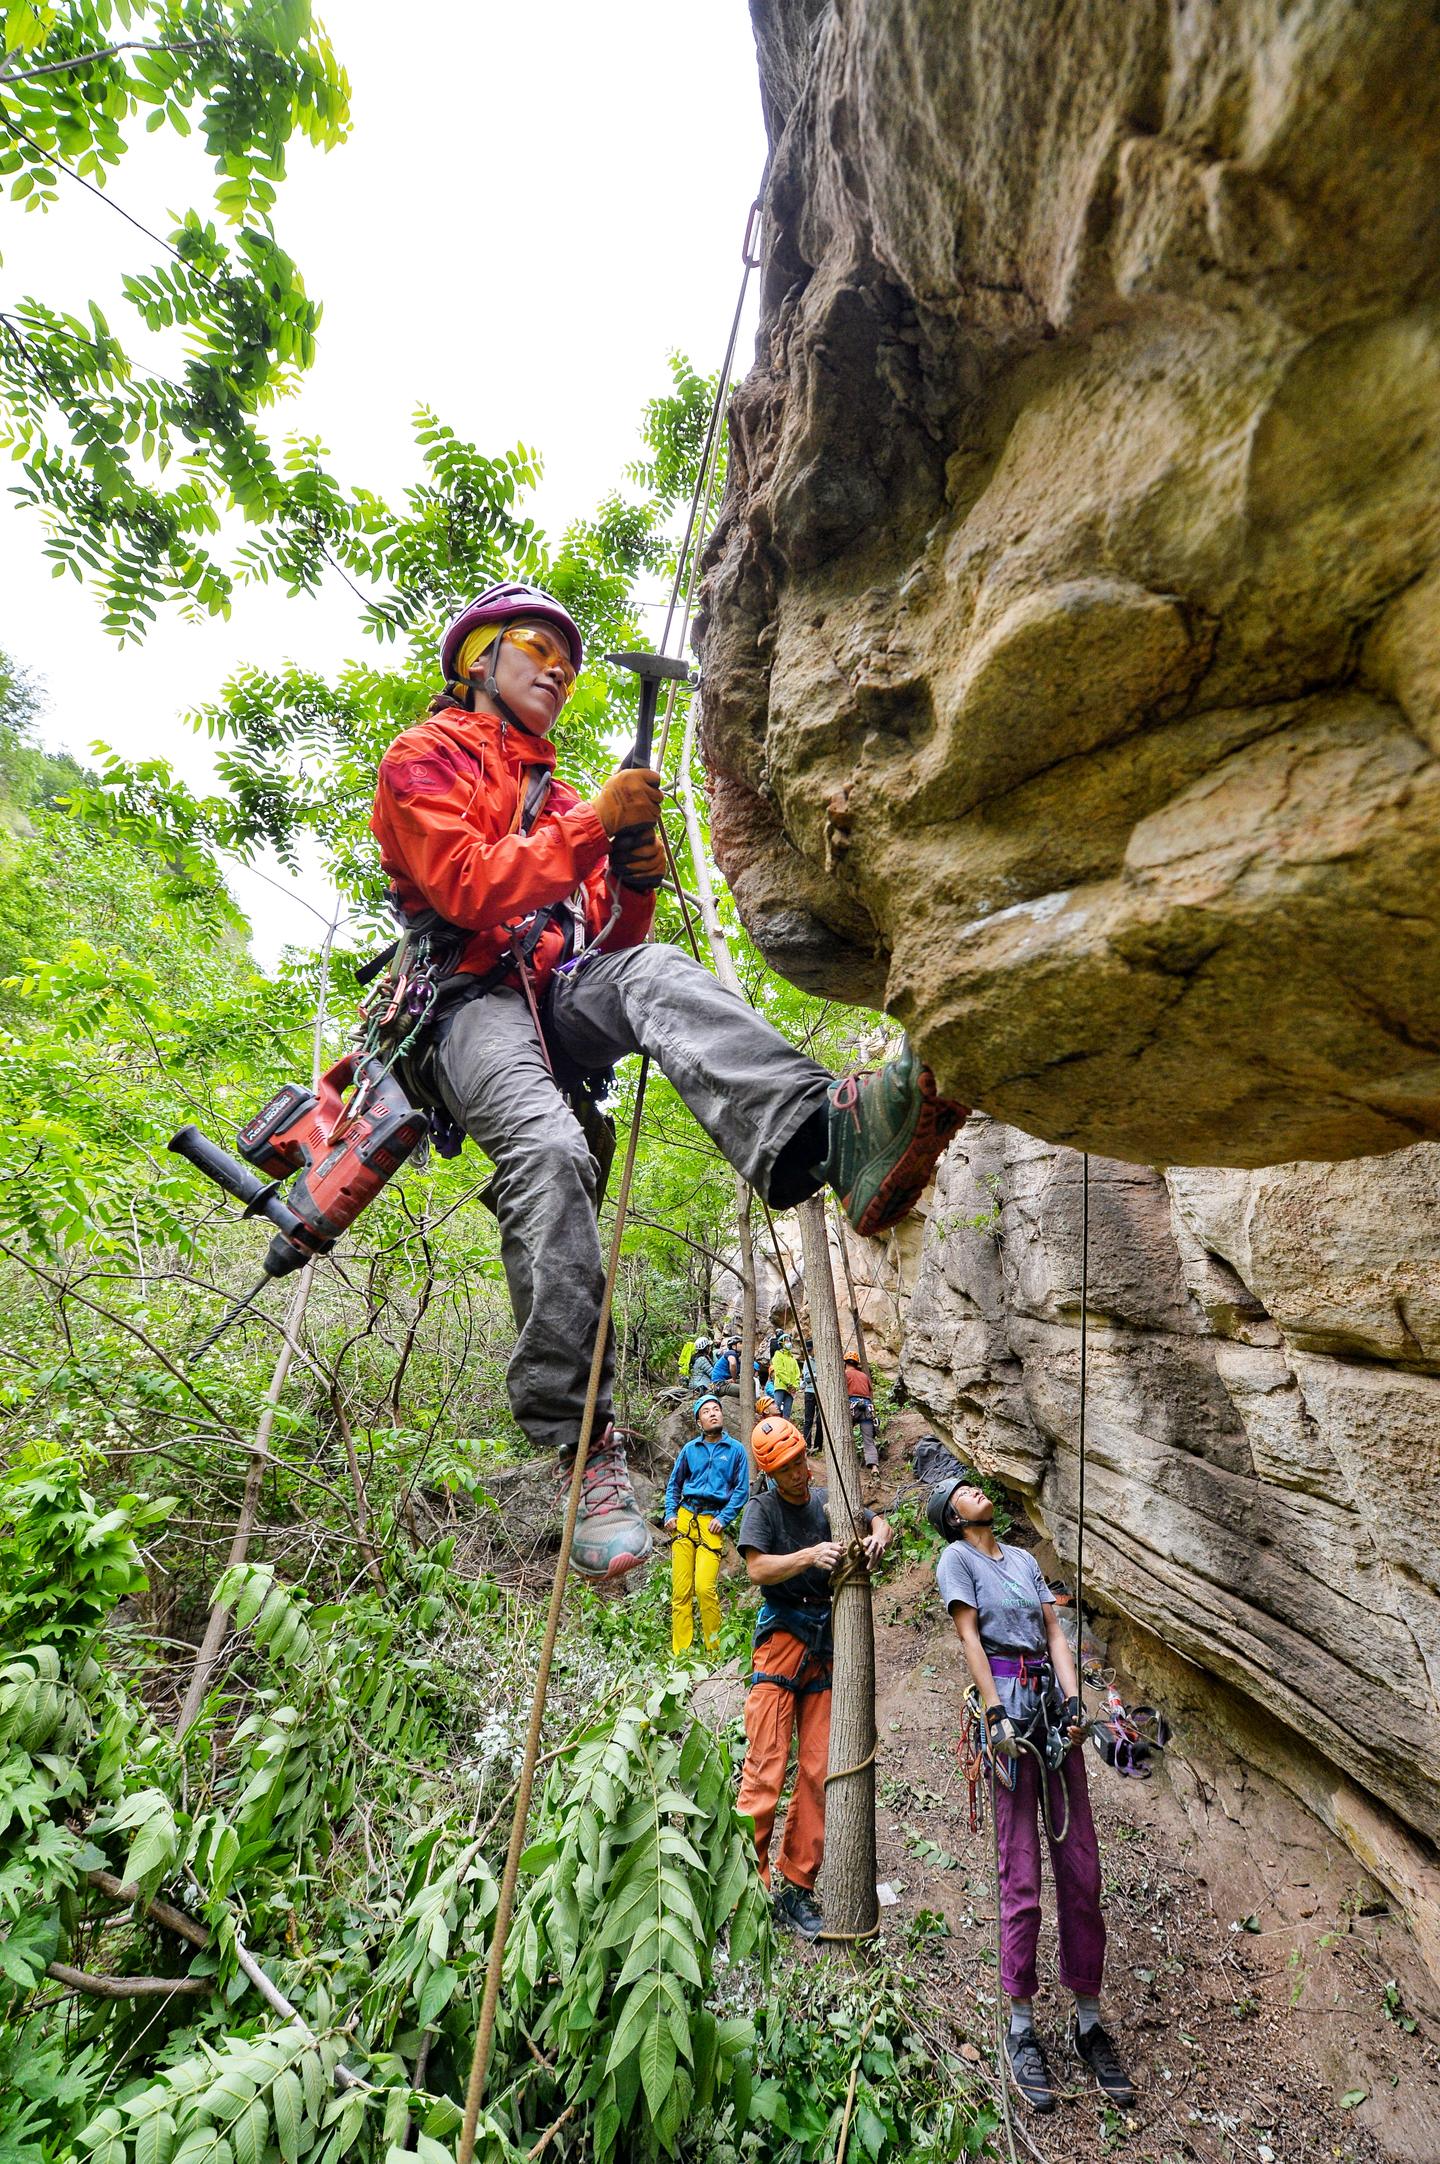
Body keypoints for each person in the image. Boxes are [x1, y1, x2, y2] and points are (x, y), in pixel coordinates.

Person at [371, 582, 965, 1580]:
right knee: (552, 1151)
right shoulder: (423, 759)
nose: (557, 667)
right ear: (477, 659)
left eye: (567, 656)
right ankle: (580, 1449)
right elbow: (470, 886)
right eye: (533, 646)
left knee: (650, 974)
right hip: (470, 1005)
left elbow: (611, 947)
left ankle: (827, 1137)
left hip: (556, 995)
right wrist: (593, 825)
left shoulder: (562, 801)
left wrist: (634, 876)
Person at [930, 1473, 1134, 2114]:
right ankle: (1020, 2027)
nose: (973, 1490)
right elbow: (970, 1637)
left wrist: (1076, 1700)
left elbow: (1053, 1632)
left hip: (1049, 1704)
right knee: (1019, 1871)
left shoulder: (1020, 1558)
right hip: (1010, 1711)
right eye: (959, 1491)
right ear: (951, 1516)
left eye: (971, 1484)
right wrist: (994, 1715)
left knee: (1081, 1866)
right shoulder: (956, 1559)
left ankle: (1088, 2021)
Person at [736, 1416, 890, 1937]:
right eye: (786, 1468)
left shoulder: (828, 1500)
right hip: (782, 1639)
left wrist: (878, 1538)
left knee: (820, 1768)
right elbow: (757, 1569)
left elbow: (876, 1519)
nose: (799, 1473)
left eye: (801, 1460)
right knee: (765, 1767)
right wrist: (807, 1555)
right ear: (771, 1473)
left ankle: (796, 1885)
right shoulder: (762, 1509)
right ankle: (744, 1889)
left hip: (825, 1644)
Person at [663, 1394, 748, 1657]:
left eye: (716, 1410)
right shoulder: (690, 1450)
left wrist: (724, 1518)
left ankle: (714, 1649)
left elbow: (741, 1489)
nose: (713, 1414)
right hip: (686, 1519)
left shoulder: (736, 1450)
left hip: (711, 1521)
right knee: (681, 1591)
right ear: (699, 1421)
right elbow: (674, 1485)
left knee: (705, 1588)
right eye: (706, 1411)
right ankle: (682, 1653)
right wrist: (669, 1513)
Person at [844, 1351, 877, 1468]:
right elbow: (870, 1391)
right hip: (867, 1407)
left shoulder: (844, 1374)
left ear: (845, 1362)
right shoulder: (864, 1376)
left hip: (852, 1406)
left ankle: (847, 1463)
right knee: (868, 1440)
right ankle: (874, 1468)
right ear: (857, 1364)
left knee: (845, 1435)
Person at [770, 1337, 801, 1421]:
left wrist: (795, 1386)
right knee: (777, 1409)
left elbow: (797, 1374)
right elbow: (779, 1371)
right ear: (782, 1343)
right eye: (786, 1341)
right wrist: (789, 1383)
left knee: (787, 1412)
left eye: (789, 1341)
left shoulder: (792, 1359)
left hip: (791, 1389)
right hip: (781, 1386)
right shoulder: (778, 1354)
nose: (789, 1343)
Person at [800, 1339, 818, 1447]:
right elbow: (806, 1377)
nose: (810, 1352)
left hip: (820, 1393)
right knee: (808, 1420)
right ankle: (806, 1444)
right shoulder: (807, 1361)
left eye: (811, 1350)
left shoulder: (821, 1360)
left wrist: (814, 1376)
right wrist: (816, 1376)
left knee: (820, 1421)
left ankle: (818, 1447)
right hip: (809, 1392)